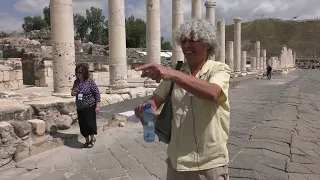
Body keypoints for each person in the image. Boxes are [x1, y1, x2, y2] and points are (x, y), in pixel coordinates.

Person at [134, 19, 231, 180]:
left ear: (207, 43)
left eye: (192, 40)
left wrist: (172, 74)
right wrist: (147, 109)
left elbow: (214, 93)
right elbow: (155, 100)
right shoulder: (176, 72)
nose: (186, 45)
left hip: (209, 165)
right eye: (183, 40)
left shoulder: (219, 69)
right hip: (177, 164)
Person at [71, 63, 101, 148]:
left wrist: (97, 105)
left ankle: (92, 139)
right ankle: (87, 140)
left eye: (80, 73)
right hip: (80, 107)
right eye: (77, 73)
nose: (78, 75)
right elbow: (72, 92)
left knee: (90, 124)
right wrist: (73, 92)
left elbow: (97, 93)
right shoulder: (76, 82)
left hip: (89, 106)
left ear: (84, 73)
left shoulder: (90, 82)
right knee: (83, 125)